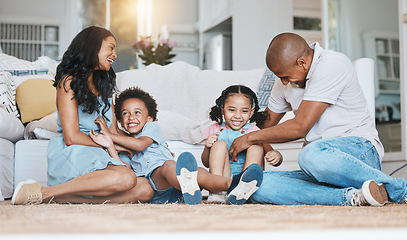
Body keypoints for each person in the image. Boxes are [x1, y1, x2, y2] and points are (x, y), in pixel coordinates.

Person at [229, 32, 407, 206]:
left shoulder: (333, 64)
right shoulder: (284, 82)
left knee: (310, 155)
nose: (282, 82)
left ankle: (398, 188)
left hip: (357, 153)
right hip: (319, 169)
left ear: (302, 62)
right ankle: (354, 196)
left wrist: (248, 137)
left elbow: (300, 127)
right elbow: (264, 125)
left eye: (285, 76)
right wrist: (237, 122)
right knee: (253, 186)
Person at [11, 26, 154, 205]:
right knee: (126, 178)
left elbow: (112, 131)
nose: (114, 54)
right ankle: (45, 192)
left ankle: (56, 197)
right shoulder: (68, 82)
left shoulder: (105, 86)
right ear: (92, 47)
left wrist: (147, 145)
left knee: (146, 189)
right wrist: (112, 145)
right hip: (75, 151)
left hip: (101, 151)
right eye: (110, 47)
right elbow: (71, 137)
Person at [94, 86, 264, 205]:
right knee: (168, 167)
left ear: (149, 118)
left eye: (137, 112)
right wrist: (110, 145)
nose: (131, 117)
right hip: (157, 184)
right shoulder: (122, 146)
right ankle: (189, 185)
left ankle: (232, 185)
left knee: (199, 172)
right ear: (122, 121)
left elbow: (139, 145)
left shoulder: (150, 128)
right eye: (125, 113)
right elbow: (124, 169)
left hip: (175, 182)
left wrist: (112, 136)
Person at [202, 85, 282, 203]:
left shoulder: (254, 130)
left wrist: (277, 156)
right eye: (232, 110)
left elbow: (270, 153)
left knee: (256, 147)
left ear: (251, 112)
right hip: (224, 179)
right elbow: (206, 163)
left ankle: (246, 189)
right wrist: (207, 147)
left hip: (246, 181)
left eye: (244, 111)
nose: (237, 116)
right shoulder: (215, 130)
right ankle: (217, 191)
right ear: (222, 109)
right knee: (219, 144)